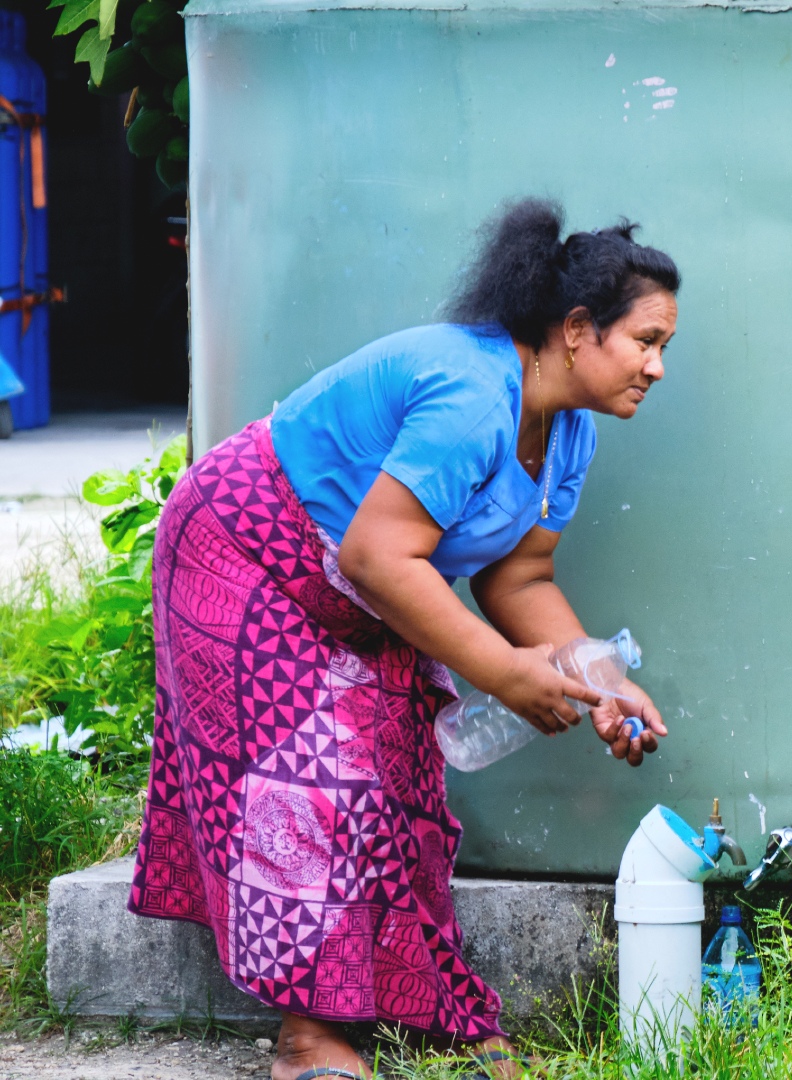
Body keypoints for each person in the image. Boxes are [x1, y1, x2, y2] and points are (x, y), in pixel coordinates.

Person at [128, 199, 678, 1080]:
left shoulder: (568, 432)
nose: (656, 367)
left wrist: (599, 678)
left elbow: (518, 578)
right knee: (309, 781)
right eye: (645, 341)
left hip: (352, 583)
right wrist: (503, 672)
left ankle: (418, 1008)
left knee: (397, 770)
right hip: (242, 549)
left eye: (664, 348)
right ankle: (308, 1040)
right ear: (577, 330)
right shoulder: (472, 394)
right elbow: (380, 552)